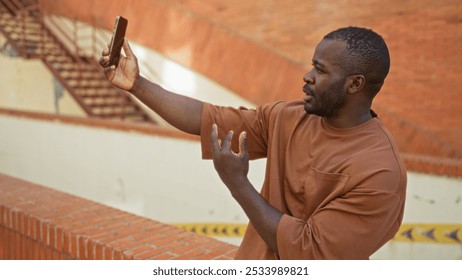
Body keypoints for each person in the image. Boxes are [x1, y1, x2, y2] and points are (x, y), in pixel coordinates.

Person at [99, 26, 407, 260]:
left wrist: (238, 185)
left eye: (321, 70)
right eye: (313, 65)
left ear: (355, 84)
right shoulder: (288, 117)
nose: (307, 76)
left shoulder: (380, 172)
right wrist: (137, 85)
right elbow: (208, 120)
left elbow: (310, 252)